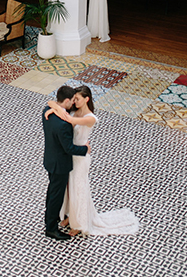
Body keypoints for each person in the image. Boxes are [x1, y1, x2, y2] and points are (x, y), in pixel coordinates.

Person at [47, 85, 140, 237]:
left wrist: (56, 109)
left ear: (86, 99)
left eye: (77, 99)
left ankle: (79, 223)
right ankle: (71, 216)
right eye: (73, 99)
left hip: (81, 157)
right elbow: (53, 102)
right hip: (70, 154)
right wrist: (54, 107)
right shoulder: (75, 110)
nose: (74, 101)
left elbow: (69, 119)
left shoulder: (90, 118)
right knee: (69, 187)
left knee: (79, 188)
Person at [42, 85, 90, 241]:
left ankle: (52, 217)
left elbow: (51, 104)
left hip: (50, 159)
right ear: (67, 100)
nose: (74, 104)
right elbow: (69, 148)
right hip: (60, 165)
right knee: (56, 195)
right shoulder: (63, 124)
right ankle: (50, 228)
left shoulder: (47, 112)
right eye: (73, 101)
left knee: (52, 191)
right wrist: (85, 149)